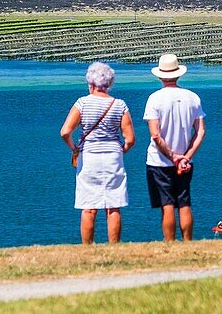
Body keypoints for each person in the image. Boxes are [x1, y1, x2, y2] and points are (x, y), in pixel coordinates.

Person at [60, 61, 135, 244]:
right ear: (109, 83)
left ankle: (87, 247)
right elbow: (130, 139)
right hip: (113, 157)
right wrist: (121, 150)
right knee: (113, 205)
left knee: (88, 206)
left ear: (91, 83)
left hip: (89, 156)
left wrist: (74, 148)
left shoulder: (82, 103)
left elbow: (65, 132)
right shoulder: (119, 105)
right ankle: (114, 246)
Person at [144, 53, 205, 241]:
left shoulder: (154, 99)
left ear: (160, 76)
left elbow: (155, 135)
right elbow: (200, 132)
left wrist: (172, 156)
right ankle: (188, 241)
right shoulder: (193, 98)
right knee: (184, 202)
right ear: (178, 74)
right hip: (185, 162)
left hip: (159, 161)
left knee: (167, 204)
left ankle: (169, 243)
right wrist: (185, 157)